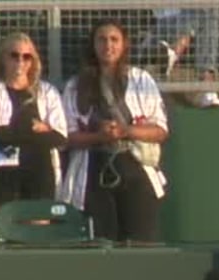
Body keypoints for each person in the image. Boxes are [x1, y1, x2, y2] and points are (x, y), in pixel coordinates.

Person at [60, 20, 169, 244]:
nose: (108, 45)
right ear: (93, 45)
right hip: (93, 170)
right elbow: (66, 137)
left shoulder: (141, 79)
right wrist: (99, 136)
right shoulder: (75, 85)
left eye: (114, 39)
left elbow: (160, 131)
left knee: (140, 244)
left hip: (135, 167)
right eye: (101, 39)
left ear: (123, 45)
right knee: (101, 245)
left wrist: (126, 130)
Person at [0, 33, 67, 219]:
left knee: (38, 230)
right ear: (3, 59)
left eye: (26, 56)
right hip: (1, 176)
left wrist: (11, 132)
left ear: (33, 61)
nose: (20, 62)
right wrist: (38, 131)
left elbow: (60, 137)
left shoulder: (48, 92)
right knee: (1, 227)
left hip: (40, 173)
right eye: (14, 55)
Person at [149, 7, 219, 108]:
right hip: (167, 23)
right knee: (208, 12)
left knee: (208, 11)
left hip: (195, 21)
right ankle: (207, 86)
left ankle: (174, 52)